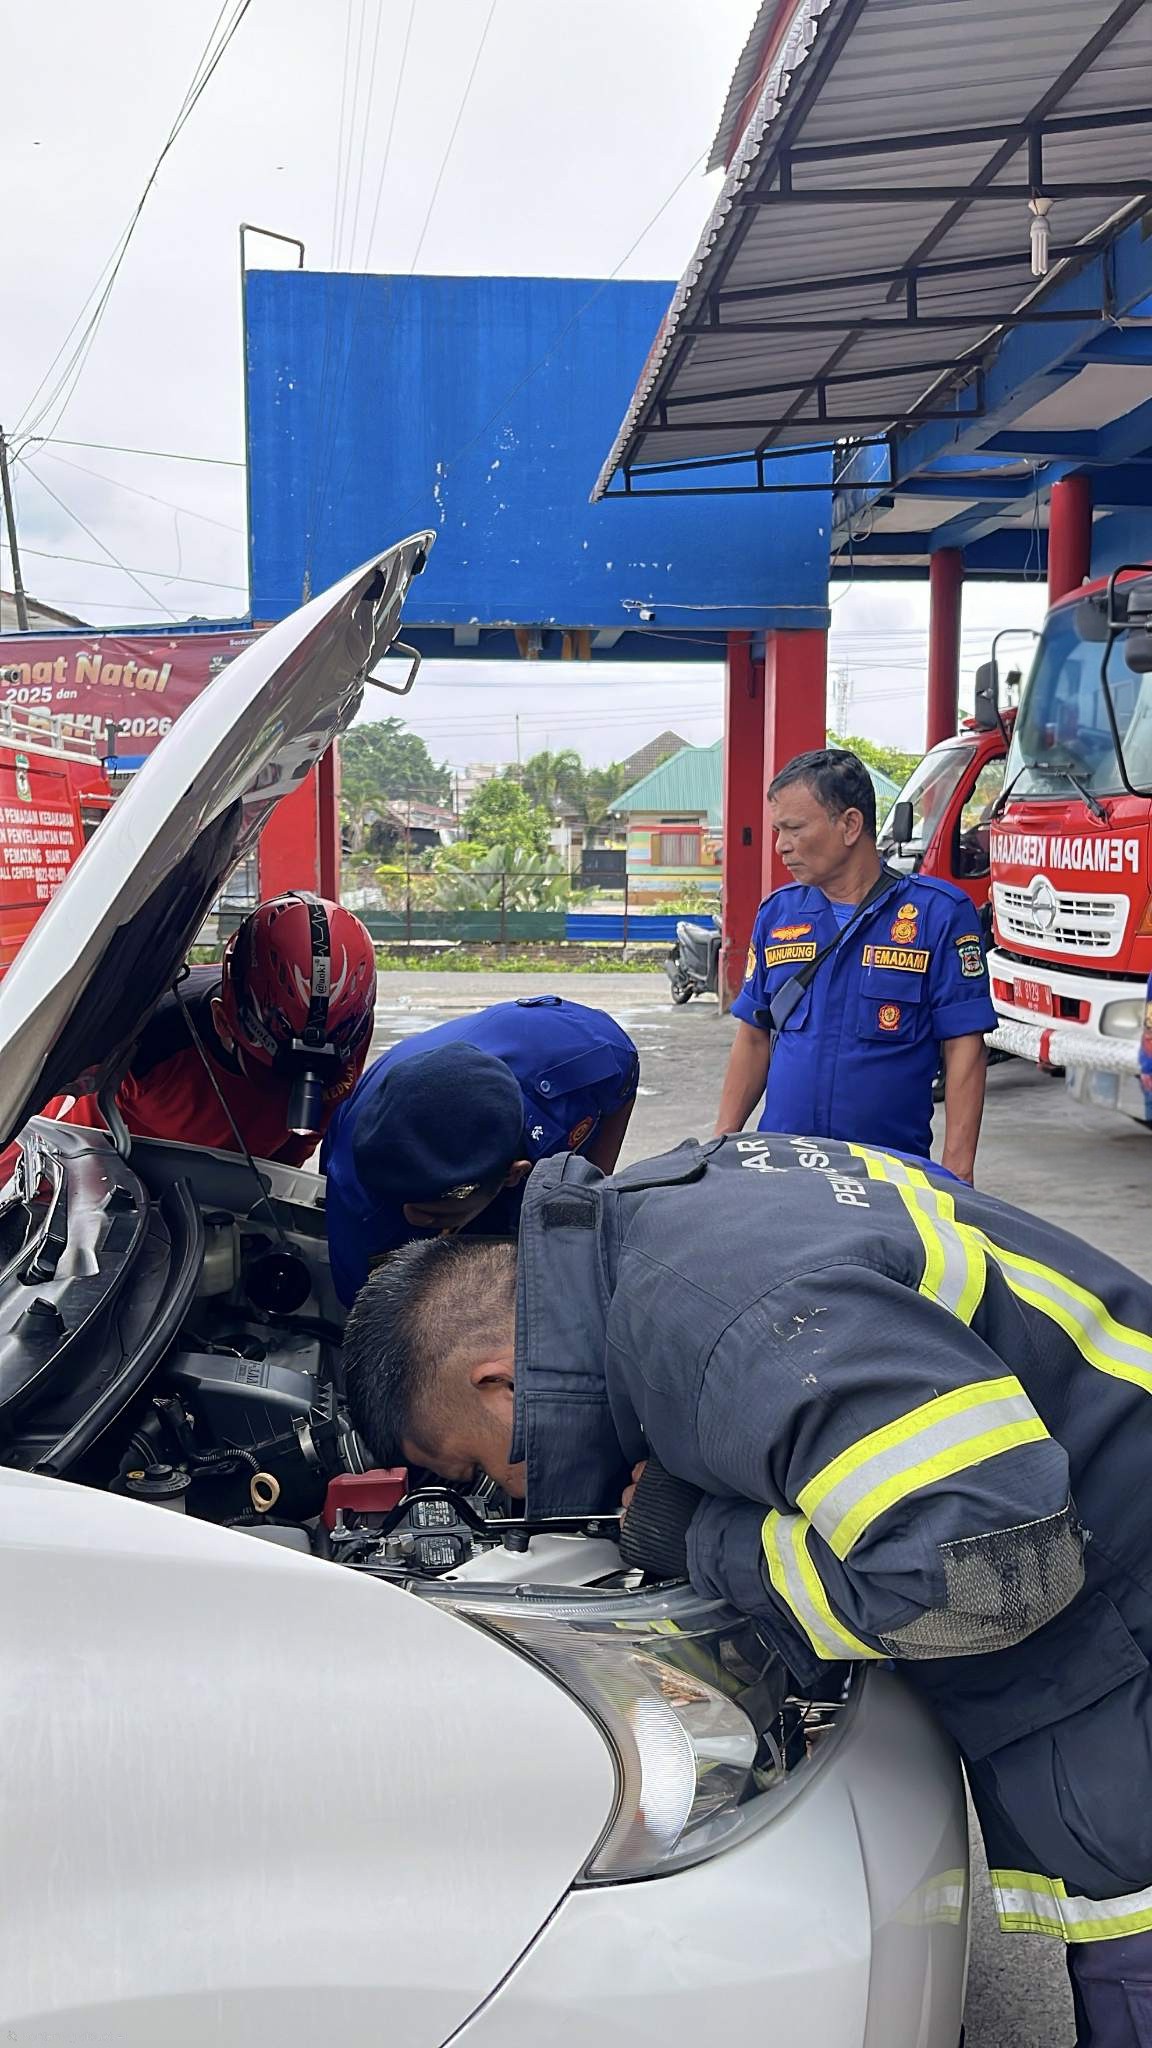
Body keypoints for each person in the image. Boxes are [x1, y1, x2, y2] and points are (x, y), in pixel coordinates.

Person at [344, 1130, 1152, 2043]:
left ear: (496, 1384)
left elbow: (995, 1576)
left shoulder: (731, 1320)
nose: (503, 1491)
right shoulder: (658, 1219)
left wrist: (705, 1537)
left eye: (477, 1468)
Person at [715, 748, 996, 1181]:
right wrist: (720, 1145)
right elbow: (754, 1037)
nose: (781, 846)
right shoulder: (778, 914)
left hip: (888, 1173)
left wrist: (958, 1171)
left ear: (849, 825)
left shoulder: (938, 915)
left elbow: (964, 1048)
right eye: (777, 830)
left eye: (794, 829)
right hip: (785, 1167)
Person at [322, 995, 638, 1304]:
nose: (413, 1216)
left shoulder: (595, 1059)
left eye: (434, 1215)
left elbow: (622, 1079)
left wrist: (584, 1196)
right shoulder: (363, 1204)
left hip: (546, 1041)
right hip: (371, 1144)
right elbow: (370, 1317)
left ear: (514, 1175)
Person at [44, 893, 377, 1166]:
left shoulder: (346, 1030)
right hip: (106, 1167)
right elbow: (40, 1130)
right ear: (221, 1021)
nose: (293, 1091)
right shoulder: (143, 1041)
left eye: (320, 1075)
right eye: (273, 1075)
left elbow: (305, 1137)